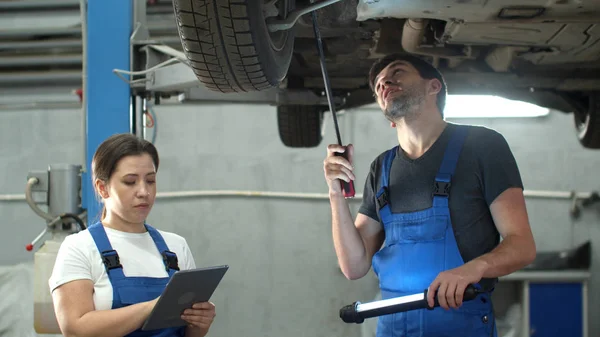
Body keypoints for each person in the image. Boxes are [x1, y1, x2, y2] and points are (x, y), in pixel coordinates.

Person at [323, 53, 537, 337]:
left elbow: (522, 245)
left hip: (462, 325)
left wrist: (474, 268)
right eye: (377, 86)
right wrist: (335, 195)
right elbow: (354, 265)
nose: (384, 81)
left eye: (397, 72)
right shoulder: (381, 169)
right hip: (393, 328)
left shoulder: (483, 147)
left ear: (434, 86)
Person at [48, 133, 216, 337]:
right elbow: (75, 328)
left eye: (151, 181)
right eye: (130, 182)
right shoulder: (79, 247)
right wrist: (152, 307)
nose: (144, 191)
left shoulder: (176, 247)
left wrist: (199, 325)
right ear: (103, 188)